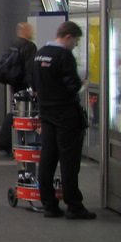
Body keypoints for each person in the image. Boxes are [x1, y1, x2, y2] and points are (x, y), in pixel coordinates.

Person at [31, 21, 95, 220]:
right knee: (69, 160)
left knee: (48, 158)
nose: (75, 45)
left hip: (46, 112)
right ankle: (74, 205)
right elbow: (72, 86)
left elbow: (34, 85)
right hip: (66, 114)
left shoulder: (40, 53)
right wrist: (83, 84)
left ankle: (49, 204)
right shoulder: (64, 56)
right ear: (68, 37)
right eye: (75, 41)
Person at [0, 22, 38, 154]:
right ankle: (19, 142)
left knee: (16, 112)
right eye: (31, 30)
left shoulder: (12, 45)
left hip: (14, 84)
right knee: (26, 115)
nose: (33, 32)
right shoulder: (30, 47)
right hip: (25, 86)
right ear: (25, 31)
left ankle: (8, 141)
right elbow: (30, 69)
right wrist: (33, 87)